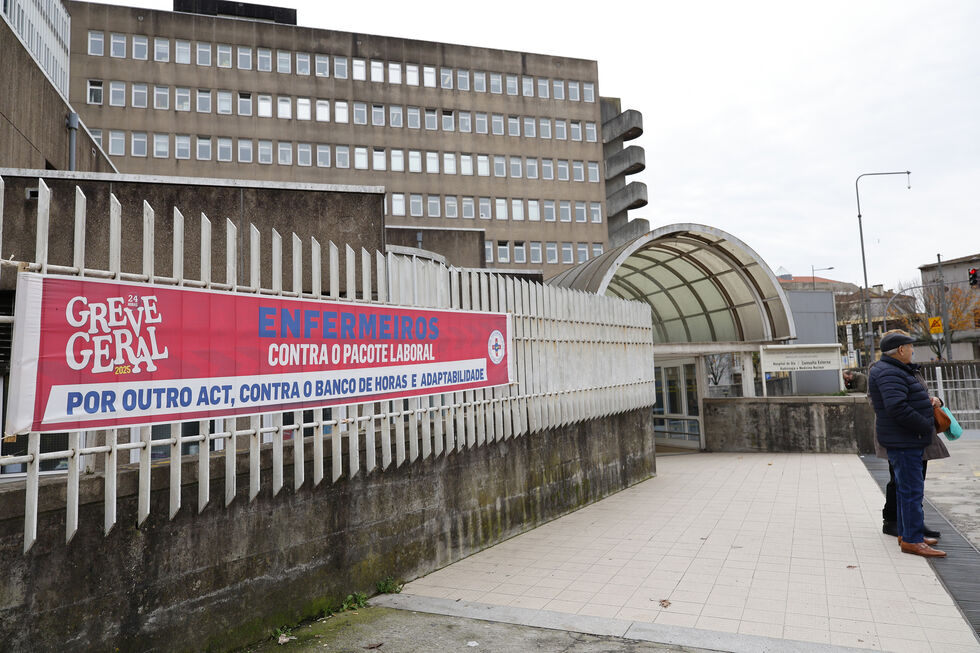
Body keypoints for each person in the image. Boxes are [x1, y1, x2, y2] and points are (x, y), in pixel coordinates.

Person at [867, 330, 946, 557]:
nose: (913, 350)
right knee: (911, 490)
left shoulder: (895, 369)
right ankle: (912, 540)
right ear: (901, 350)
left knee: (906, 490)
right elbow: (897, 407)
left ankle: (909, 533)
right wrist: (925, 424)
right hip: (905, 440)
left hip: (906, 438)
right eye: (910, 347)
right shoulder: (890, 371)